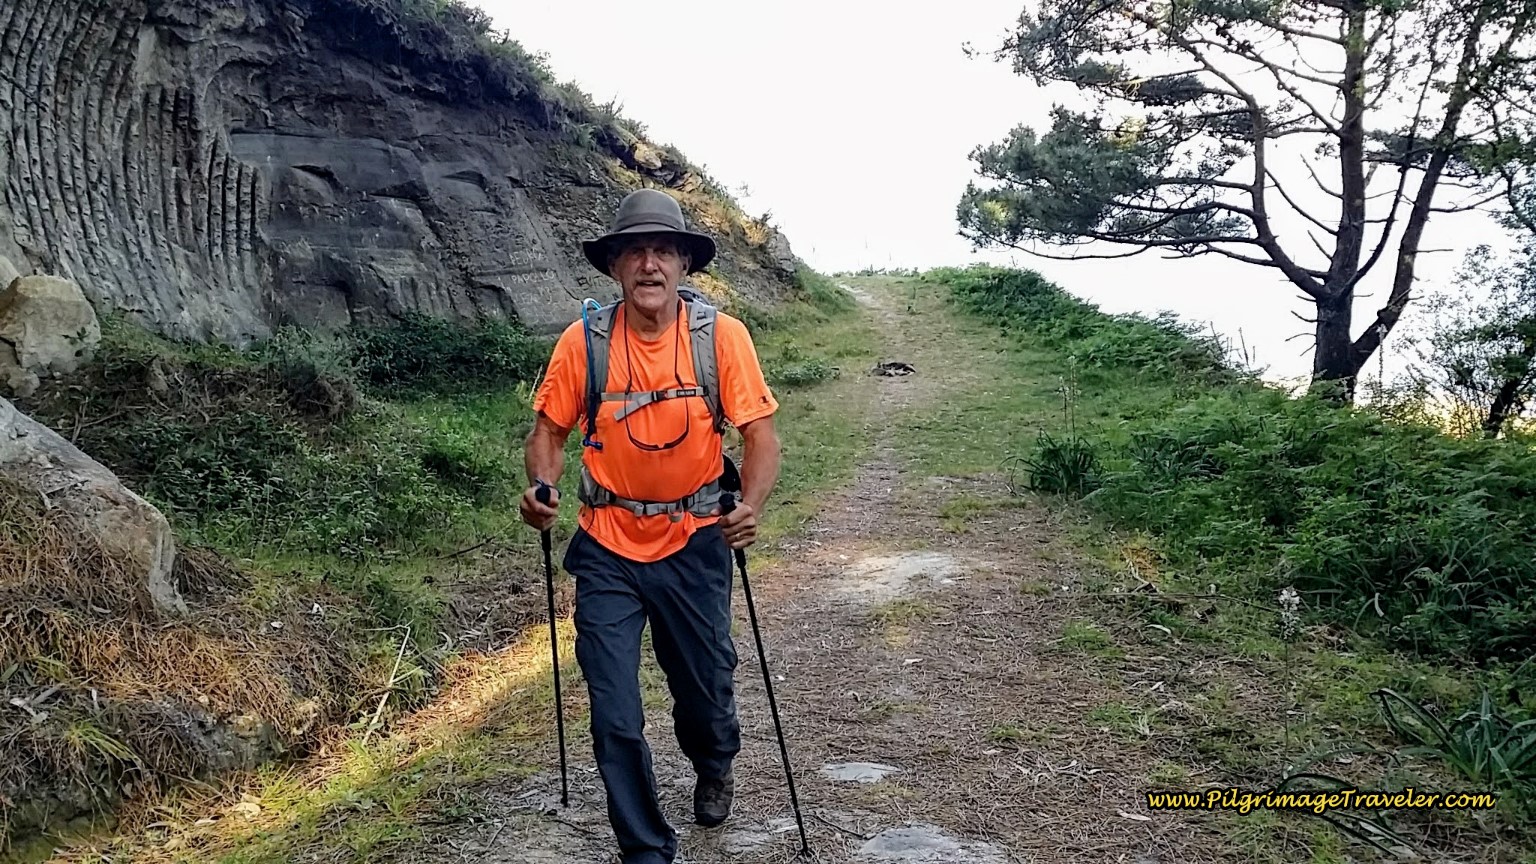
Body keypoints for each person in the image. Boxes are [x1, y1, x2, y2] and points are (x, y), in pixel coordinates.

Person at [519, 188, 782, 864]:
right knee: (613, 712)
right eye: (634, 251)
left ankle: (714, 759)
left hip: (696, 542)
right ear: (614, 267)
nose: (649, 264)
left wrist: (748, 504)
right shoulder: (585, 342)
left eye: (662, 249)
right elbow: (548, 430)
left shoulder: (721, 338)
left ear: (683, 264)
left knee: (704, 689)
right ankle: (645, 851)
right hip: (606, 545)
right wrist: (543, 486)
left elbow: (760, 434)